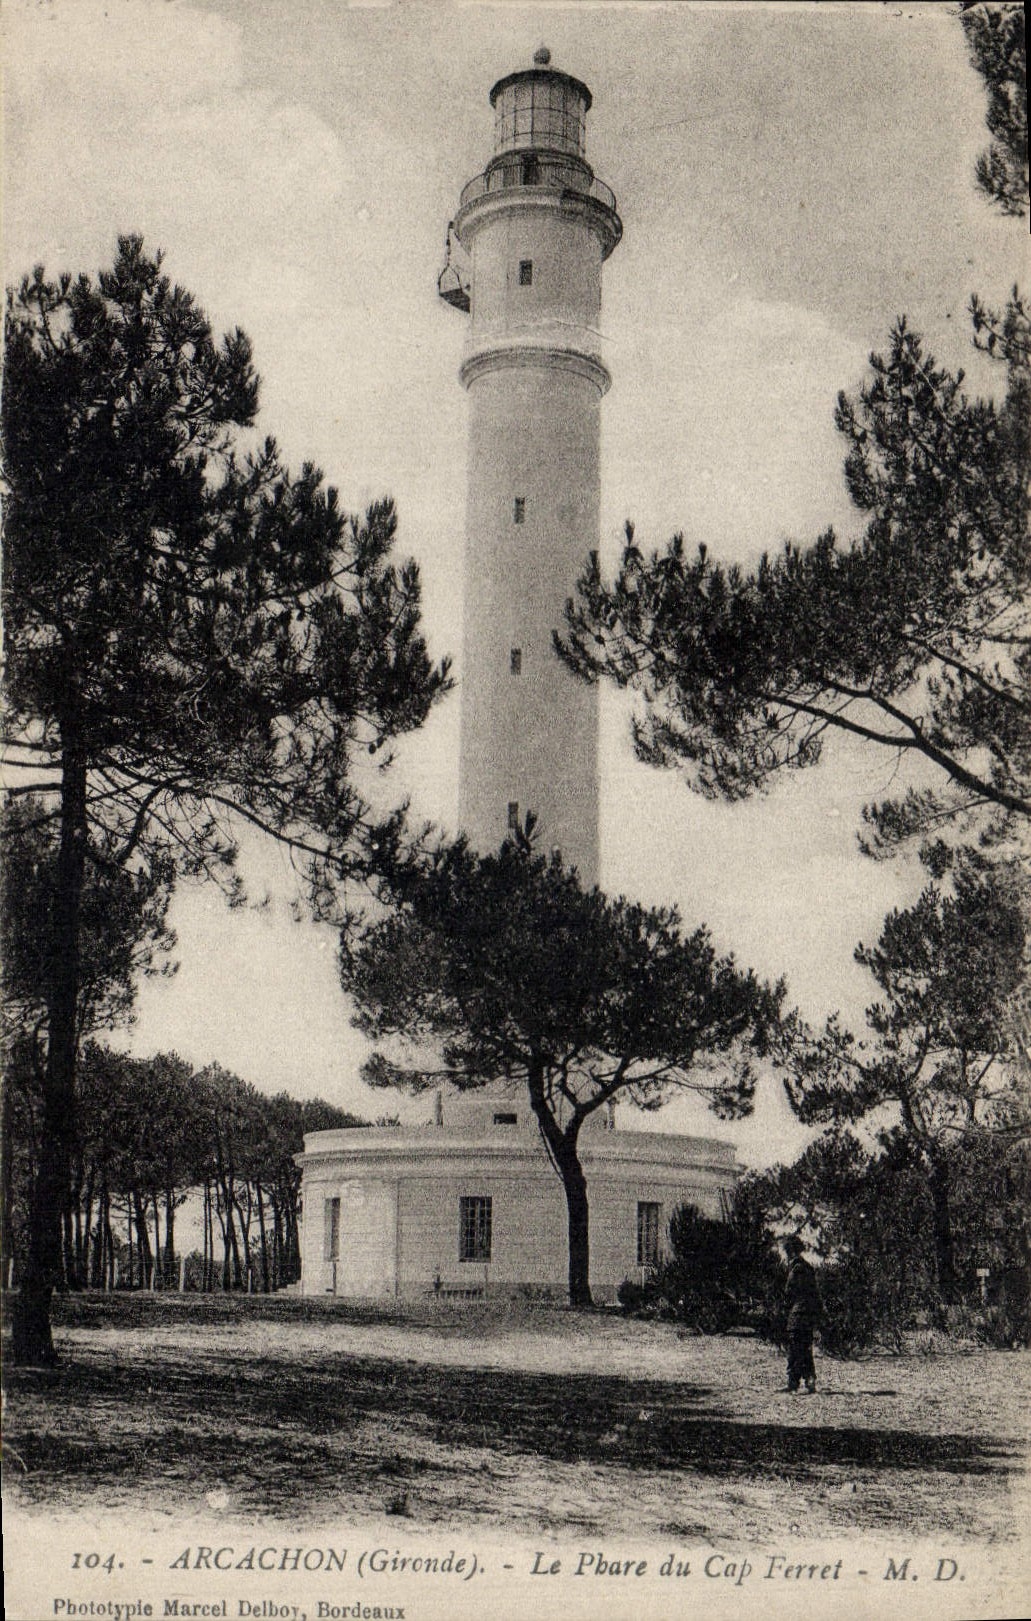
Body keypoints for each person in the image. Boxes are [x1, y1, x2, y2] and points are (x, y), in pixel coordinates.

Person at [782, 1235, 821, 1393]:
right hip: (809, 1313)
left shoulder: (796, 1268)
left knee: (795, 1348)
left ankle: (794, 1382)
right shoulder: (808, 1267)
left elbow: (788, 1291)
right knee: (805, 1347)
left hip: (797, 1313)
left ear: (790, 1251)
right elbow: (815, 1293)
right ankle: (809, 1380)